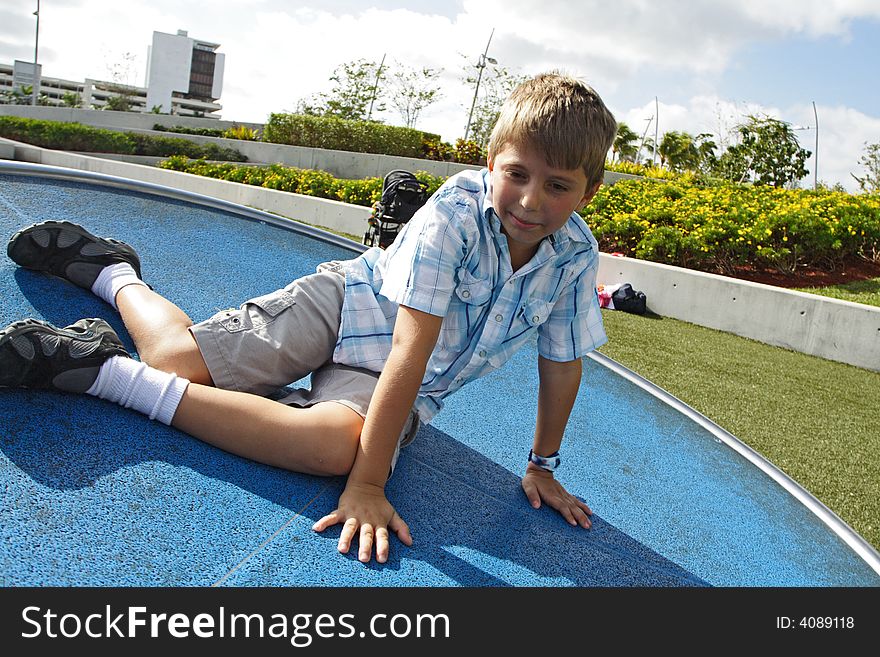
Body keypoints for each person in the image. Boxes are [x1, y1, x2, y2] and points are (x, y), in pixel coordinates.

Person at [1, 72, 617, 564]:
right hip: (349, 306)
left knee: (333, 448)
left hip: (390, 380)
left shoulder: (573, 257)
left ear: (587, 193)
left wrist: (543, 466)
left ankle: (100, 369)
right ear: (491, 163)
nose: (532, 200)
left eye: (558, 186)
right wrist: (369, 488)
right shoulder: (455, 213)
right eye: (517, 175)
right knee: (173, 361)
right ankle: (113, 272)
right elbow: (410, 346)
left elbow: (561, 365)